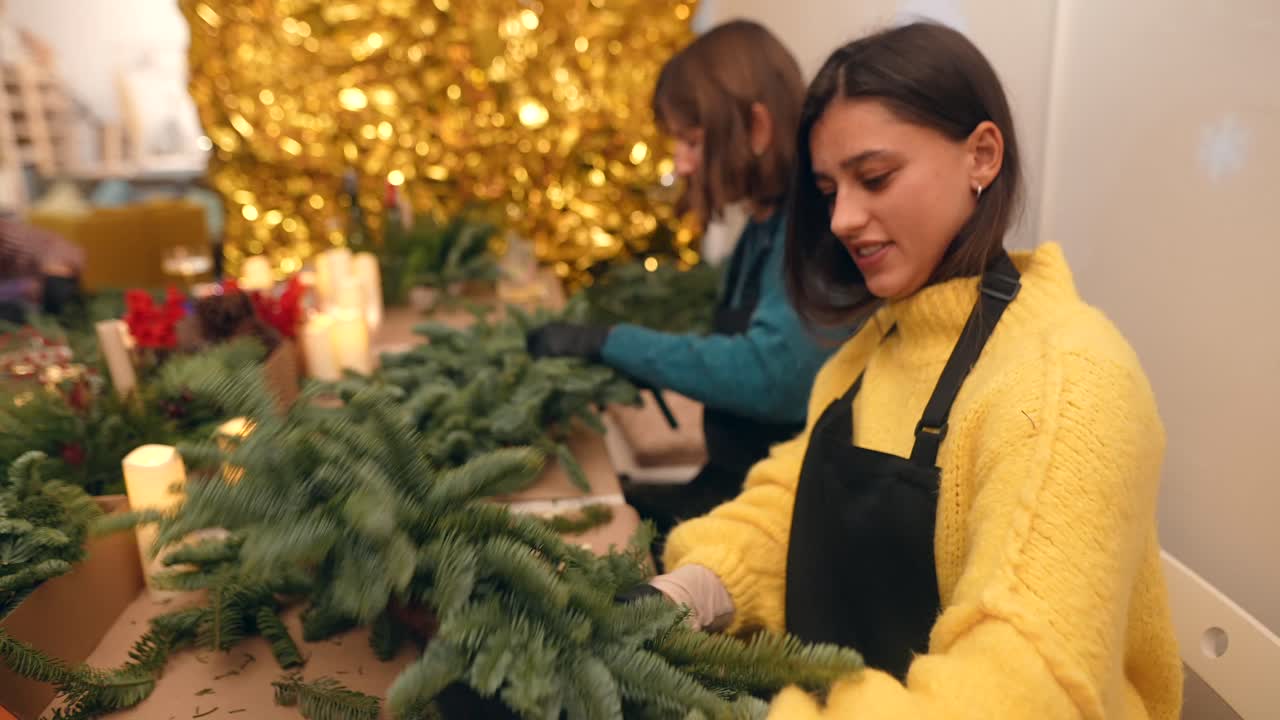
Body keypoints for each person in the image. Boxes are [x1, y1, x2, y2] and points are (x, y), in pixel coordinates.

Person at [633, 22, 1182, 719]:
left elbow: (1023, 687)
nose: (841, 218)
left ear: (981, 156)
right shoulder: (876, 346)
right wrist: (698, 584)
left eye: (875, 177)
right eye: (830, 189)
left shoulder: (1069, 379)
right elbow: (789, 503)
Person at [527, 21, 839, 539]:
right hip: (726, 485)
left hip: (773, 522)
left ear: (757, 128)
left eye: (693, 141)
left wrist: (614, 343)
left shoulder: (806, 230)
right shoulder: (764, 222)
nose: (682, 163)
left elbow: (770, 376)